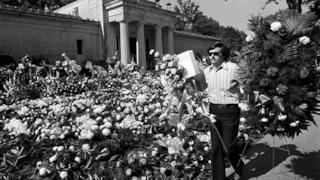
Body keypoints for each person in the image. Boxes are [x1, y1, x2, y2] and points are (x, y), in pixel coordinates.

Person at [203, 42, 244, 180]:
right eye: (210, 53)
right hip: (213, 111)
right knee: (215, 148)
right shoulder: (207, 71)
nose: (212, 56)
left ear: (223, 55)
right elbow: (201, 89)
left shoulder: (233, 68)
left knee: (228, 147)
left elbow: (247, 84)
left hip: (229, 111)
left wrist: (246, 100)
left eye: (216, 53)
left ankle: (239, 167)